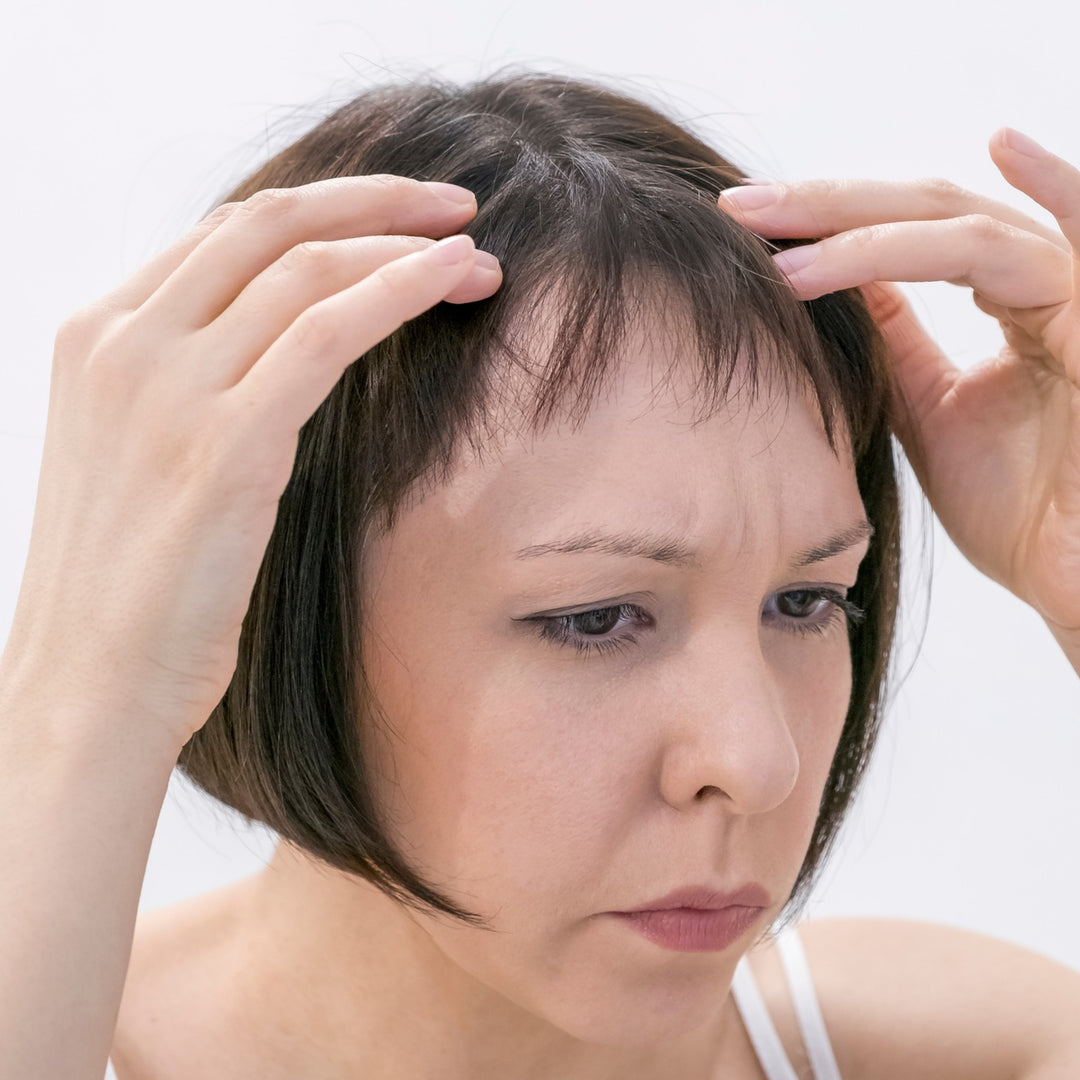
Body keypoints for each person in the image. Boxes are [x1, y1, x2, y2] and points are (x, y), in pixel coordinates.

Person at [0, 71, 1076, 1080]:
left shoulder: (971, 1053)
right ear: (275, 604)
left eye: (805, 602)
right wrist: (80, 692)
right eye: (598, 618)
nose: (758, 763)